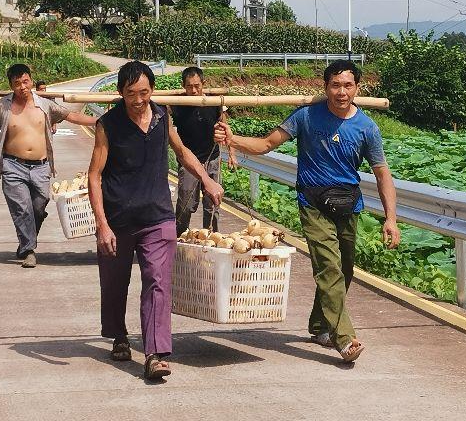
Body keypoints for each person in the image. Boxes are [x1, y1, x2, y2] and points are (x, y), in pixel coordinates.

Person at [214, 60, 400, 363]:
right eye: (335, 85)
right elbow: (265, 144)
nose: (341, 92)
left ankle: (319, 325)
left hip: (349, 204)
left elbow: (381, 173)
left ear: (357, 88)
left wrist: (390, 219)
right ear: (325, 87)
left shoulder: (366, 127)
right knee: (329, 267)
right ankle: (345, 339)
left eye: (348, 85)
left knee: (345, 270)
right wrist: (231, 139)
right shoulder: (306, 117)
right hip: (313, 203)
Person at [88, 61, 224, 381]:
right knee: (114, 283)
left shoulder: (163, 117)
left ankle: (155, 353)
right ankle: (119, 335)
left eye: (145, 92)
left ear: (152, 90)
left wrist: (205, 178)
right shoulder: (108, 125)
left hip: (158, 216)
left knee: (158, 283)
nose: (139, 100)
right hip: (119, 218)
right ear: (121, 93)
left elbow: (182, 151)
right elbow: (94, 176)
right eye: (132, 93)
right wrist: (102, 224)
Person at [0, 63, 97, 268]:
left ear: (31, 80)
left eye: (25, 81)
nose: (22, 86)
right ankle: (29, 250)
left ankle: (25, 240)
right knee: (22, 209)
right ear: (11, 85)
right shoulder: (2, 106)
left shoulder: (44, 104)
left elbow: (71, 115)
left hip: (41, 166)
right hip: (13, 165)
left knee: (40, 204)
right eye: (17, 83)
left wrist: (99, 121)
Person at [169, 66, 237, 235]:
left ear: (203, 83)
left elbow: (225, 128)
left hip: (212, 158)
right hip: (188, 162)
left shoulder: (214, 103)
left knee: (213, 204)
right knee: (185, 203)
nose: (194, 90)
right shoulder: (177, 105)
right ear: (183, 86)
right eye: (190, 86)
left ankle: (212, 237)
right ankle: (179, 237)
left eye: (197, 86)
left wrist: (231, 153)